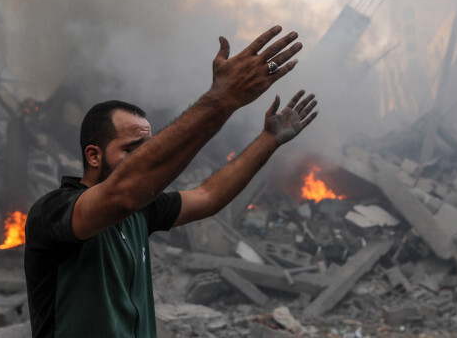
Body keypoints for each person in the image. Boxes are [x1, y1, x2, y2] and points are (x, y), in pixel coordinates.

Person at [24, 25, 319, 337]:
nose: (146, 160)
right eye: (132, 151)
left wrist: (268, 141)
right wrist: (223, 99)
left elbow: (208, 197)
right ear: (94, 156)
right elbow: (120, 195)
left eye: (148, 149)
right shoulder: (55, 211)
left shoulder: (141, 212)